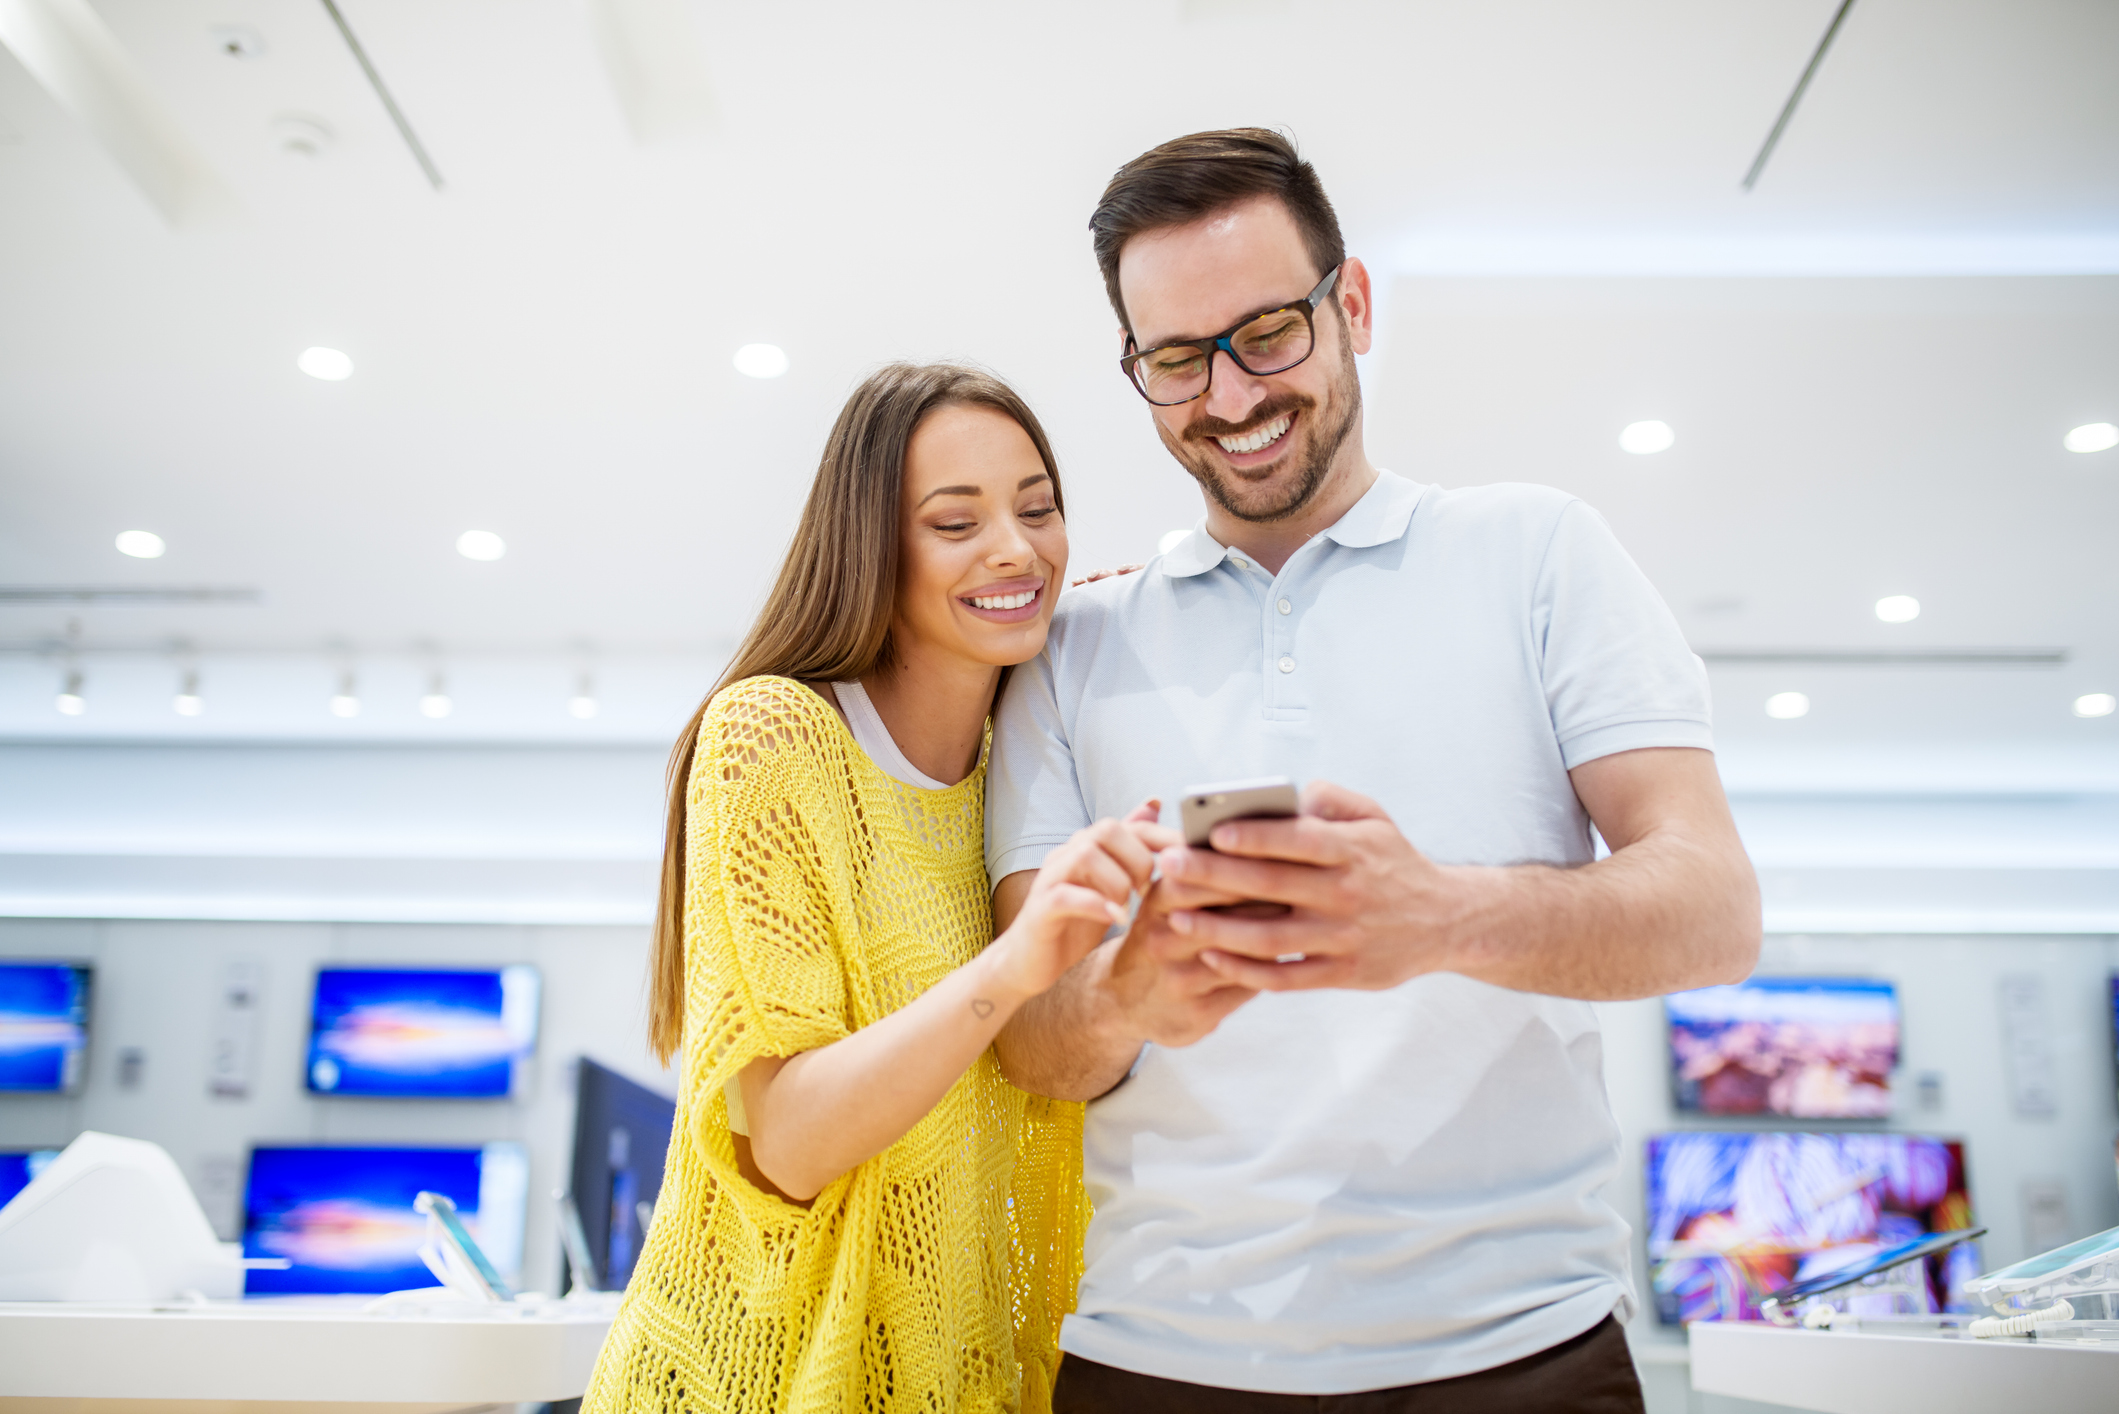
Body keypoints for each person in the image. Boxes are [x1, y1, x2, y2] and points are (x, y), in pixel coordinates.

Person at [986, 130, 1762, 1412]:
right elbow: (1031, 1046)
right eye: (1177, 360)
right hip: (1156, 1358)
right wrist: (1127, 999)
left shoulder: (1537, 553)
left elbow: (1714, 911)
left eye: (1267, 334)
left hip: (1523, 1350)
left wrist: (1442, 914)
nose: (1229, 397)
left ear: (1350, 304)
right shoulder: (1072, 646)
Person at [582, 362, 1168, 1414]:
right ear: (873, 545)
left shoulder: (1027, 769)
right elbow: (792, 1143)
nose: (1016, 548)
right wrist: (1008, 970)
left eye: (1038, 509)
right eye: (957, 522)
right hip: (754, 1380)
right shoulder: (774, 737)